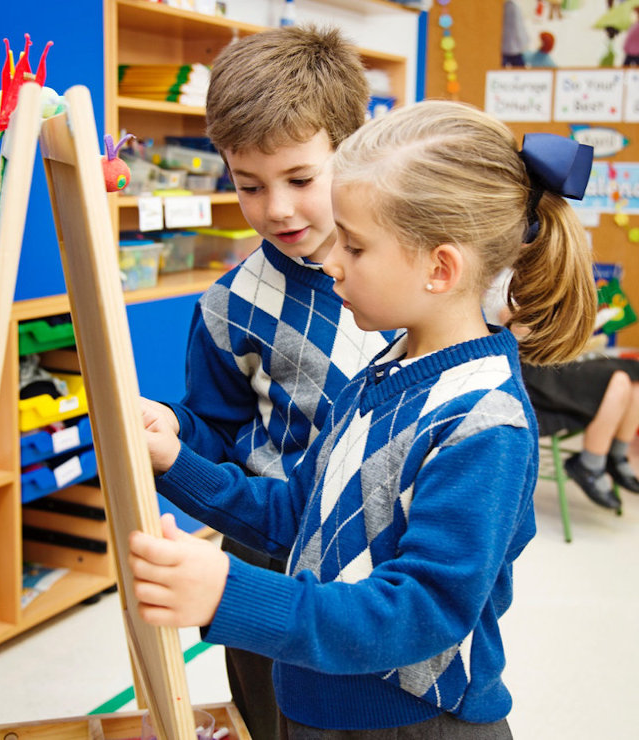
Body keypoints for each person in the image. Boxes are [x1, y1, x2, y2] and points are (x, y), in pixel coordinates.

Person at [130, 100, 596, 737]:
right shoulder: (385, 371)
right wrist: (174, 462)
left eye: (354, 244)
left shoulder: (485, 424)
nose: (332, 263)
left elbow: (419, 612)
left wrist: (229, 594)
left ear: (440, 267)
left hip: (414, 723)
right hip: (319, 703)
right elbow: (295, 516)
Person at [140, 25, 392, 740]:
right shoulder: (229, 307)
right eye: (249, 185)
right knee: (275, 720)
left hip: (378, 563)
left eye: (301, 180)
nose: (276, 208)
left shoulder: (408, 271)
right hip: (266, 556)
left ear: (351, 149)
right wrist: (171, 431)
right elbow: (216, 431)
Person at [484, 271, 639, 510]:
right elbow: (513, 324)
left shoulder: (543, 273)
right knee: (617, 380)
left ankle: (615, 455)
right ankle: (592, 462)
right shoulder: (507, 278)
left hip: (552, 360)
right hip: (530, 369)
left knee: (634, 372)